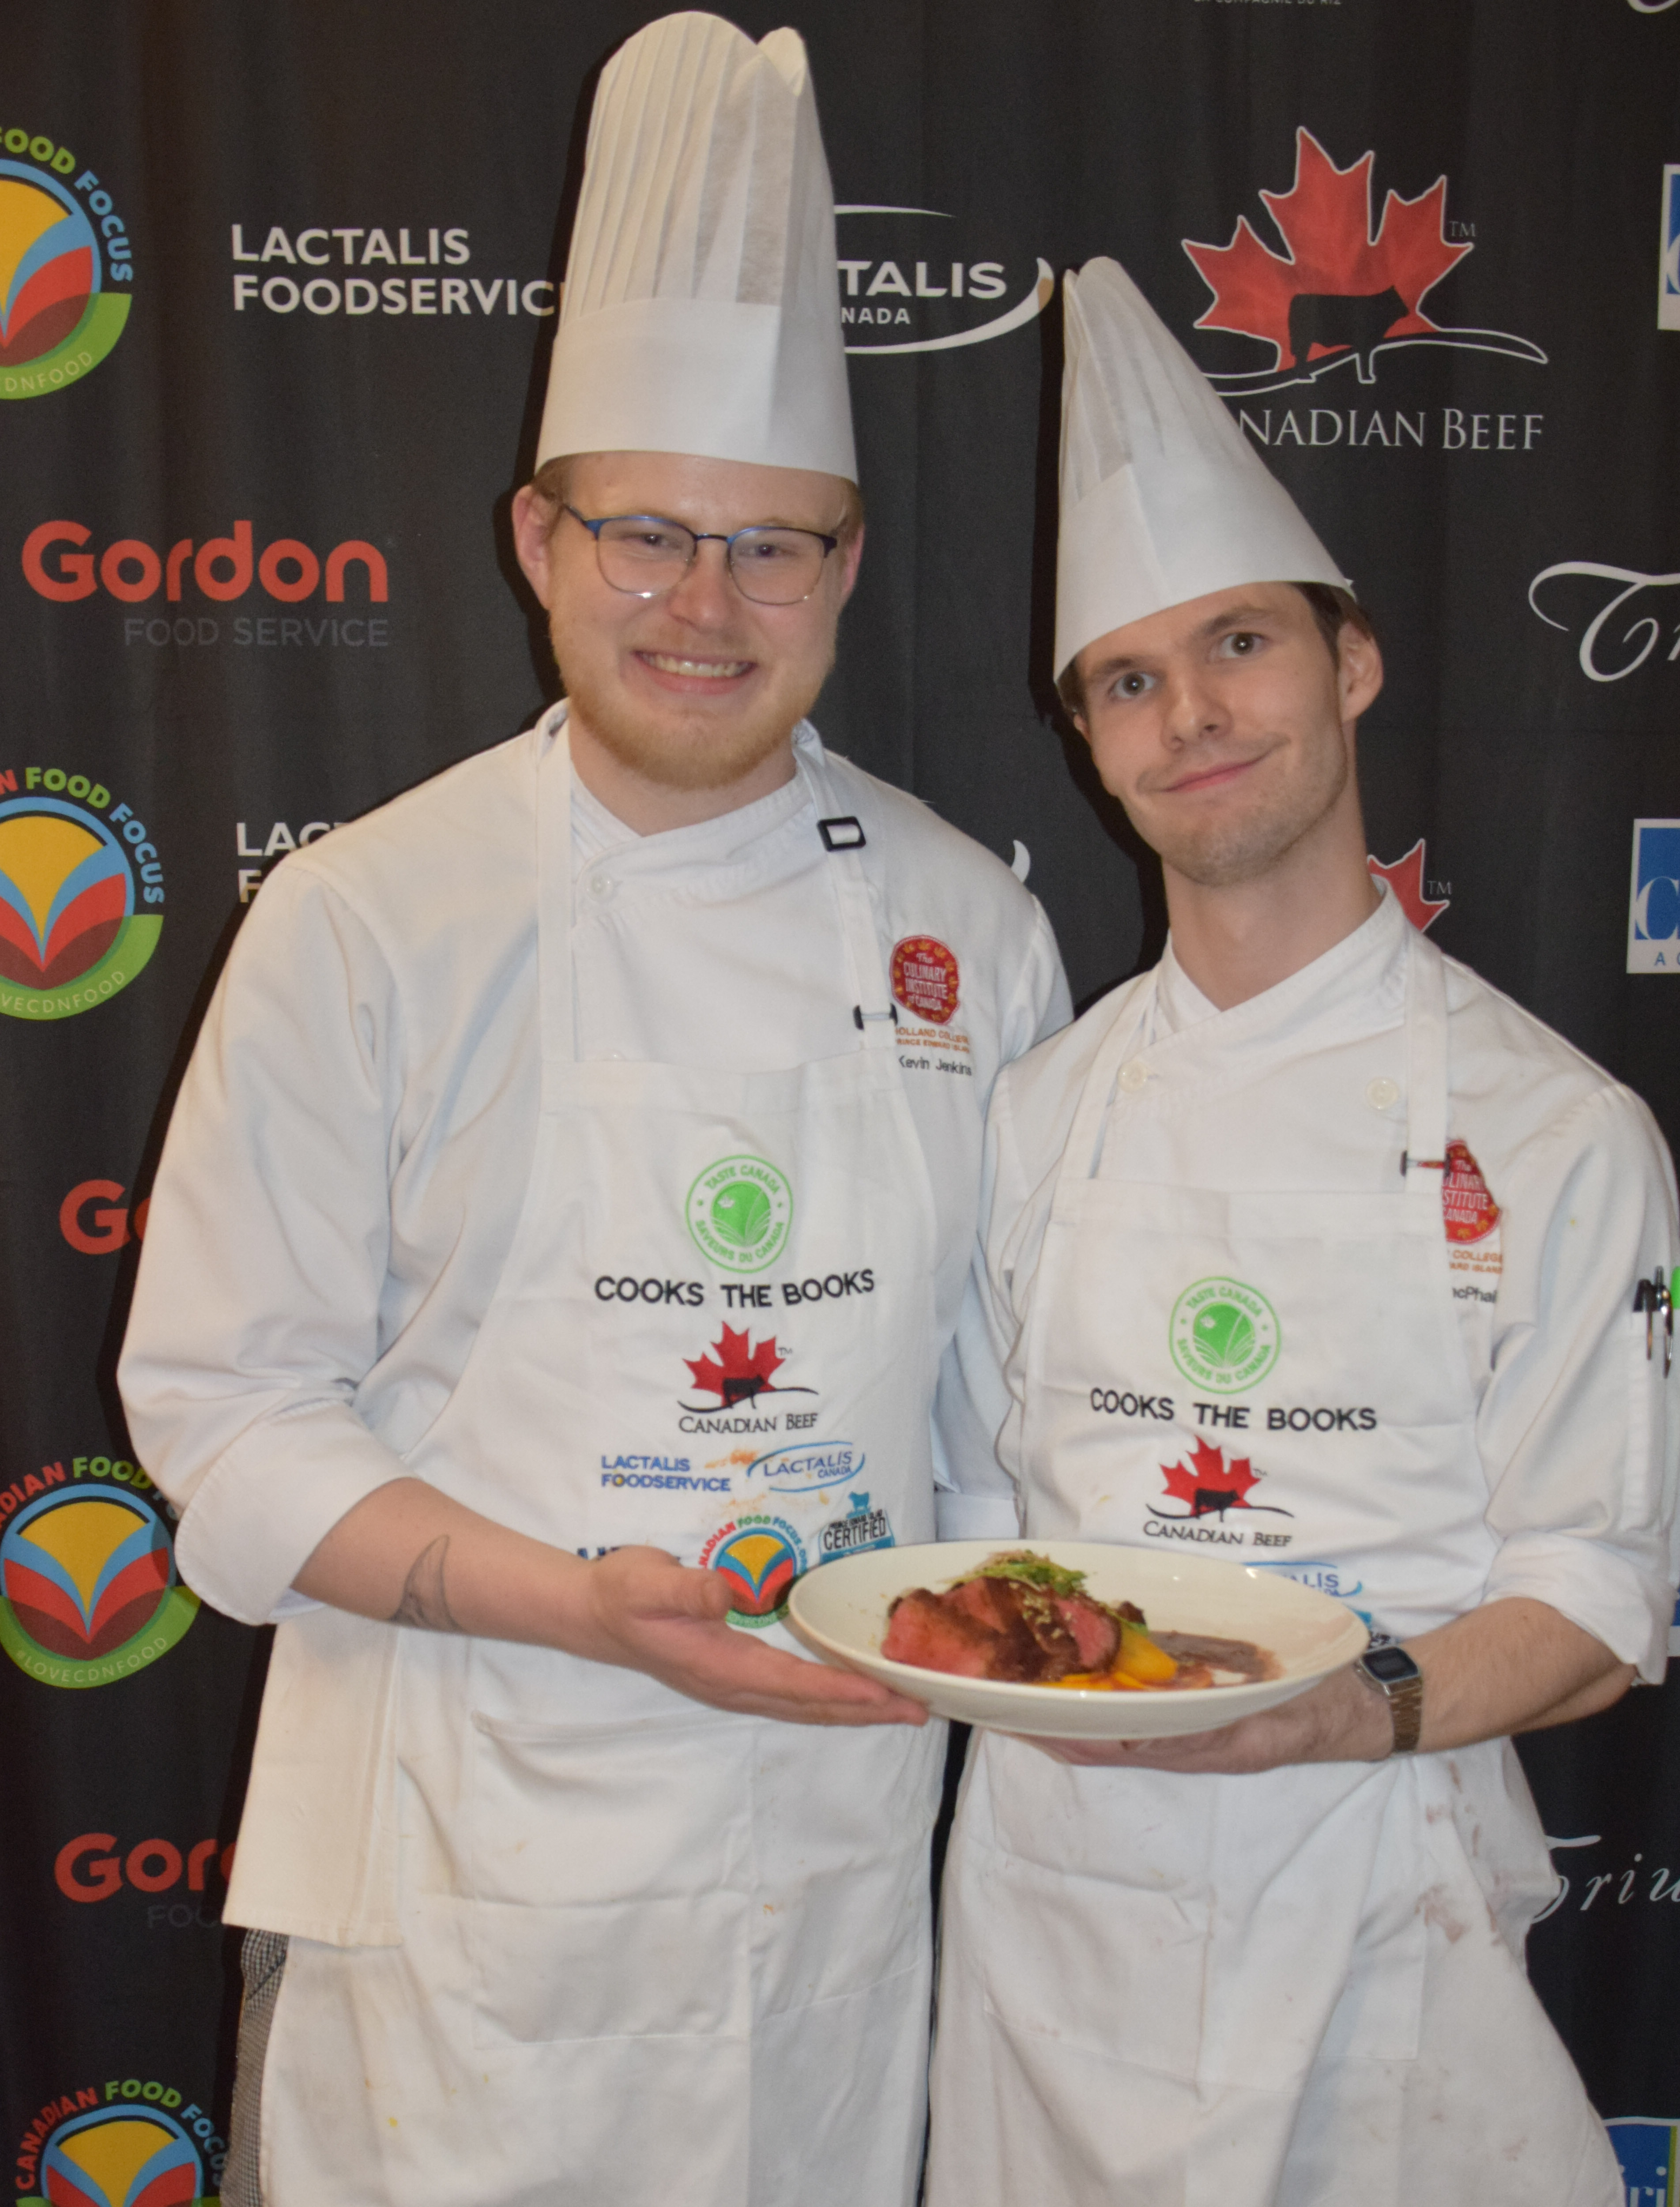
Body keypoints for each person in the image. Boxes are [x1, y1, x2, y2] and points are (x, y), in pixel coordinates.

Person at [117, 18, 1067, 2207]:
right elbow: (226, 1415)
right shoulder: (369, 914)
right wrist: (571, 1603)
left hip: (825, 1886)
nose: (703, 606)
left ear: (846, 563)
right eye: (646, 534)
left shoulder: (970, 926)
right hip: (454, 1877)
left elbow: (995, 1429)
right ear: (538, 539)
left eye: (770, 546)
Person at [924, 258, 1680, 2207]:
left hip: (1383, 1918)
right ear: (1089, 742)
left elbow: (1600, 1597)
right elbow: (969, 1510)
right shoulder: (1030, 1113)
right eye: (1127, 680)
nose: (1190, 714)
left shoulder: (1558, 1129)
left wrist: (1352, 1710)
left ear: (1349, 663)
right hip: (1050, 1929)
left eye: (1241, 644)